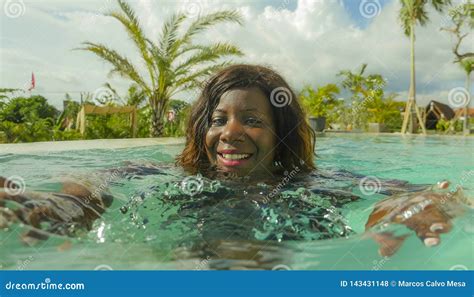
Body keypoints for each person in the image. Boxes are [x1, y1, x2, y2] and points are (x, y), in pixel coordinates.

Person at [0, 64, 468, 257]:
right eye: (218, 118)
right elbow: (98, 181)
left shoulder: (313, 183)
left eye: (252, 119)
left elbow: (421, 191)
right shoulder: (175, 177)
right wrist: (63, 206)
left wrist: (410, 209)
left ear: (281, 134)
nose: (230, 131)